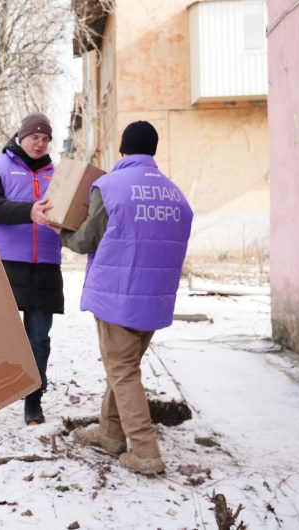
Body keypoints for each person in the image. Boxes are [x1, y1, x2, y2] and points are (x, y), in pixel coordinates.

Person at [51, 121, 193, 475]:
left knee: (122, 371)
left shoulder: (111, 187)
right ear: (153, 151)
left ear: (122, 150)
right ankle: (111, 433)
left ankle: (145, 451)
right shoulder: (176, 195)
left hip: (118, 297)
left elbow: (85, 240)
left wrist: (59, 231)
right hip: (155, 299)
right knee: (124, 367)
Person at [0, 112, 63, 426]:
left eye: (45, 138)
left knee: (39, 338)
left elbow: (71, 212)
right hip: (4, 263)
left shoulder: (59, 174)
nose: (39, 143)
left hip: (45, 267)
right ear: (21, 136)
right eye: (34, 137)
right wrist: (30, 212)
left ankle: (33, 400)